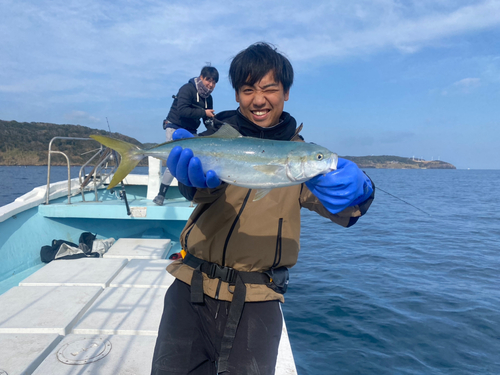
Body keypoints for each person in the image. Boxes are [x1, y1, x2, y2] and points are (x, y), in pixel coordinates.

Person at [151, 43, 375, 374]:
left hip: (256, 299)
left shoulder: (300, 157)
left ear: (286, 93)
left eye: (270, 88)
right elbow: (197, 192)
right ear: (238, 96)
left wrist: (361, 193)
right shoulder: (218, 139)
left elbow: (344, 212)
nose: (259, 99)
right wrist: (192, 182)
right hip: (190, 287)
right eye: (247, 89)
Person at [152, 65, 219, 205]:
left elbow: (206, 120)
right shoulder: (187, 89)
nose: (211, 85)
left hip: (191, 132)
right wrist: (204, 113)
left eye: (214, 82)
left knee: (194, 161)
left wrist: (215, 126)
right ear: (201, 77)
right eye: (209, 80)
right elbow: (182, 110)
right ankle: (160, 195)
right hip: (174, 127)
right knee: (175, 160)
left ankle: (193, 196)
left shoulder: (208, 98)